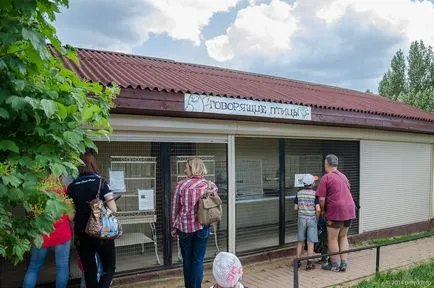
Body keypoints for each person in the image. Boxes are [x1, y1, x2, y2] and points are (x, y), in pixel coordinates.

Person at [68, 152, 118, 288]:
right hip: (102, 232)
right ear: (93, 165)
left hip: (81, 233)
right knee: (109, 268)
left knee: (90, 270)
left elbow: (70, 216)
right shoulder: (101, 183)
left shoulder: (71, 187)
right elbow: (113, 209)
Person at [171, 158, 218, 288]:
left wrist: (174, 227)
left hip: (184, 228)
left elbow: (175, 208)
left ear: (193, 168)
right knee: (198, 260)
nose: (185, 170)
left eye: (187, 167)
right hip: (202, 227)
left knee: (187, 260)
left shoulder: (181, 185)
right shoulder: (210, 186)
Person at [23, 176, 73, 288]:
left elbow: (31, 214)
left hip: (42, 233)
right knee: (62, 267)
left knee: (34, 267)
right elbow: (71, 216)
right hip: (62, 233)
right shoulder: (63, 191)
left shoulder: (36, 191)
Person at [316, 154, 356, 272]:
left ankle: (334, 265)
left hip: (336, 210)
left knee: (332, 238)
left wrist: (323, 210)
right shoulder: (343, 176)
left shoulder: (326, 177)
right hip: (350, 209)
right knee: (343, 236)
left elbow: (322, 199)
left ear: (326, 164)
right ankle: (343, 263)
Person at [294, 174, 320, 270]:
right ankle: (309, 263)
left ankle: (298, 261)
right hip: (311, 219)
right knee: (310, 241)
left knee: (300, 241)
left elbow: (295, 207)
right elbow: (317, 209)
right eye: (314, 181)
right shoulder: (315, 194)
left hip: (301, 219)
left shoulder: (299, 193)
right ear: (312, 184)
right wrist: (317, 216)